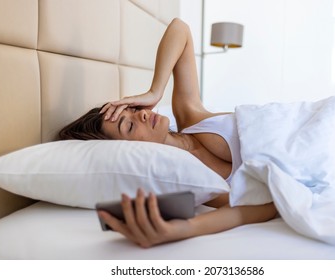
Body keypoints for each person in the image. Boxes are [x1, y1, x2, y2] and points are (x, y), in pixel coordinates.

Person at [59, 18, 277, 248]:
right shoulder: (192, 180)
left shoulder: (190, 116)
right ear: (125, 152)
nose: (142, 114)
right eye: (130, 126)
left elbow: (180, 29)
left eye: (133, 109)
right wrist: (186, 229)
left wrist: (155, 91)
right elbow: (259, 206)